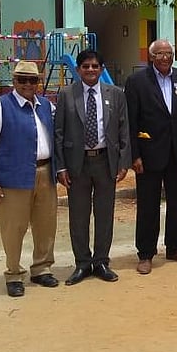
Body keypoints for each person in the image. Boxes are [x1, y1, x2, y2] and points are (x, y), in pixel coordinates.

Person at [0, 60, 58, 297]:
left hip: (45, 172)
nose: (27, 85)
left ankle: (41, 268)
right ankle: (14, 273)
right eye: (22, 80)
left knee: (46, 225)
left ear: (38, 82)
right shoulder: (0, 106)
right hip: (13, 176)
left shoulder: (46, 106)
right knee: (14, 227)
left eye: (32, 80)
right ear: (13, 81)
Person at [124, 38, 177, 274]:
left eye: (169, 53)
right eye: (159, 53)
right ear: (151, 57)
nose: (165, 57)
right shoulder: (137, 81)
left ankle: (174, 247)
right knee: (148, 205)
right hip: (148, 154)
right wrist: (134, 155)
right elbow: (131, 121)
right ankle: (146, 253)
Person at [54, 49, 131, 285]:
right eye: (85, 66)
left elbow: (123, 129)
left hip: (105, 161)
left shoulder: (116, 94)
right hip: (77, 163)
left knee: (104, 214)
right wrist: (61, 167)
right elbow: (58, 133)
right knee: (78, 216)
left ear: (101, 69)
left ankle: (101, 262)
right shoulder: (67, 94)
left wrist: (123, 162)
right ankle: (82, 263)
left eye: (95, 66)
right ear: (78, 70)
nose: (90, 70)